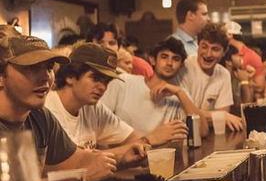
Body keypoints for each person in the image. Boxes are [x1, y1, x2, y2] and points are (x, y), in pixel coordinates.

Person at [0, 27, 118, 181]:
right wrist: (77, 178)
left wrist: (115, 158)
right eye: (32, 67)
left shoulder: (40, 116)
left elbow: (75, 160)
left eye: (49, 67)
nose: (46, 77)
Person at [47, 42, 184, 153]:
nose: (103, 87)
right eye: (95, 78)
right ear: (70, 76)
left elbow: (132, 139)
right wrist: (149, 139)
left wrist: (143, 143)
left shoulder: (93, 108)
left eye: (106, 81)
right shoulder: (48, 111)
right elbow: (79, 162)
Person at [101, 37, 209, 138]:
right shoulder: (123, 82)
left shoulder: (179, 95)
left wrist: (179, 92)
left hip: (159, 155)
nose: (169, 63)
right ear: (152, 60)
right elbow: (98, 121)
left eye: (175, 59)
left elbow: (202, 131)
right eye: (164, 57)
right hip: (119, 153)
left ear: (181, 66)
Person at [177, 23, 244, 132]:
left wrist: (221, 116)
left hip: (206, 134)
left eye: (215, 49)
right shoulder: (184, 67)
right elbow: (183, 115)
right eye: (204, 47)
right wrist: (220, 116)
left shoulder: (223, 74)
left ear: (224, 53)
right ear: (198, 46)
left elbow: (222, 117)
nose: (208, 54)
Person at [87, 23, 153, 77]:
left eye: (112, 43)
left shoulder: (129, 74)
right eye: (100, 42)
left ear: (119, 47)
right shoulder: (80, 70)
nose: (106, 47)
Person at [225, 21, 266, 97]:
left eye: (223, 36)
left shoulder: (252, 56)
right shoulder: (223, 54)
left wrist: (246, 80)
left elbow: (260, 86)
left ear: (230, 35)